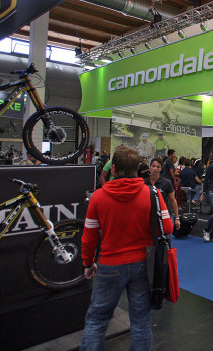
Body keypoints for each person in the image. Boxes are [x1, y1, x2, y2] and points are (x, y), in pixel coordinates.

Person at [80, 145, 173, 350]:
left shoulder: (98, 197)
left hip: (108, 265)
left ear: (113, 169)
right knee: (141, 321)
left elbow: (89, 237)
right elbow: (167, 228)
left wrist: (88, 263)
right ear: (138, 168)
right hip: (143, 265)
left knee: (97, 321)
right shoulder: (153, 194)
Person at [144, 157, 180, 230]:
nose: (155, 168)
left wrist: (177, 218)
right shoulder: (144, 183)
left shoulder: (166, 183)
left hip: (164, 215)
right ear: (149, 167)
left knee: (167, 235)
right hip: (148, 216)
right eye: (153, 166)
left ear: (161, 169)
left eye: (158, 167)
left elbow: (173, 201)